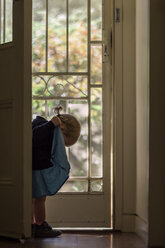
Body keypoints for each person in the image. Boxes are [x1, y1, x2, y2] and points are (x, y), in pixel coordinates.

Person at [32, 106, 81, 238]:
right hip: (33, 169)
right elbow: (33, 136)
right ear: (62, 129)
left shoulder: (49, 129)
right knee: (37, 198)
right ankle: (37, 225)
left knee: (37, 198)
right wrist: (51, 124)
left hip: (36, 168)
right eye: (62, 143)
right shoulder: (45, 126)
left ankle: (35, 224)